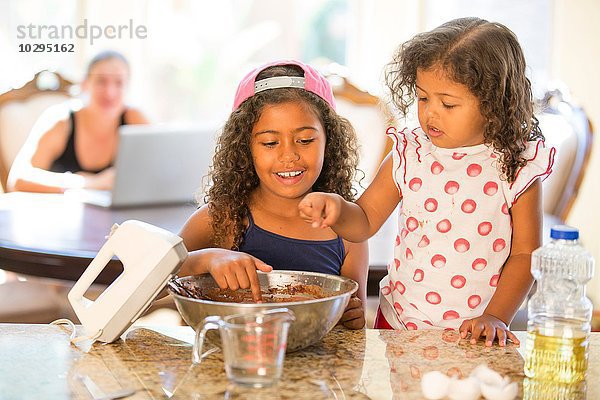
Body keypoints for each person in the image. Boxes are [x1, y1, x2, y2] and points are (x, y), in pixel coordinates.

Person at [299, 18, 555, 344]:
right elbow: (364, 220)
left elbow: (525, 255)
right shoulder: (410, 154)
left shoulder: (516, 166)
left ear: (494, 104)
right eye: (423, 98)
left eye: (447, 103)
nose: (431, 113)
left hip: (476, 334)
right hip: (400, 323)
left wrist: (495, 317)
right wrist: (336, 209)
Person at [178, 60, 368, 329]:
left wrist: (353, 317)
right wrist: (205, 259)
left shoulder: (347, 230)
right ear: (245, 147)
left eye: (305, 140)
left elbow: (353, 323)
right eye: (270, 143)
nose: (288, 155)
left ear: (329, 141)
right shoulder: (221, 218)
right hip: (224, 367)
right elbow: (149, 287)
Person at [8, 50, 148, 193]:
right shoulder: (61, 121)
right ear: (85, 84)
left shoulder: (134, 118)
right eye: (101, 81)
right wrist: (86, 182)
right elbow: (18, 179)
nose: (109, 92)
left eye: (119, 83)